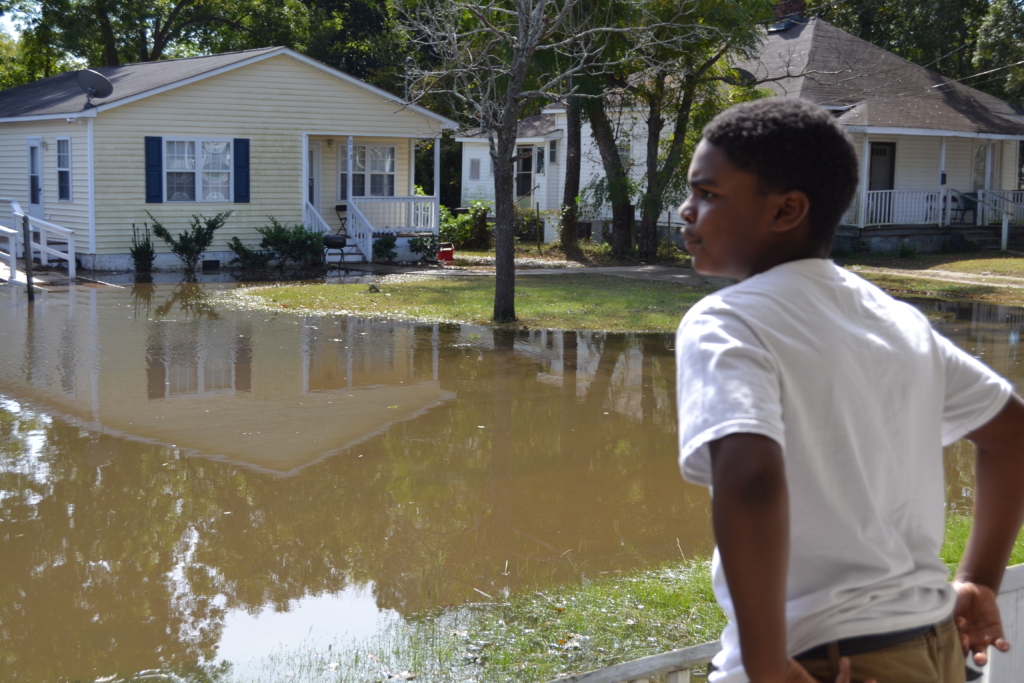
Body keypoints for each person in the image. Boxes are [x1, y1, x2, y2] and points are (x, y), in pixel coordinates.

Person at [674, 97, 1024, 683]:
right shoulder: (894, 319)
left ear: (787, 210)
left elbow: (752, 478)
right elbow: (1012, 432)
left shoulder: (727, 321)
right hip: (933, 648)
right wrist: (981, 581)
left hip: (824, 659)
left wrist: (765, 668)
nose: (686, 211)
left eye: (708, 195)